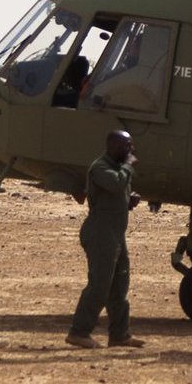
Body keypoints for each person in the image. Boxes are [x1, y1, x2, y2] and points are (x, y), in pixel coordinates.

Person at [67, 127, 142, 349]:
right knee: (100, 284)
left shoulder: (117, 168)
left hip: (116, 234)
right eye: (126, 146)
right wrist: (129, 165)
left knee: (119, 284)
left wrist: (129, 200)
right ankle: (78, 331)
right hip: (100, 233)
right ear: (113, 147)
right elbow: (116, 183)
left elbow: (117, 192)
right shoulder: (100, 167)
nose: (131, 150)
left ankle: (120, 334)